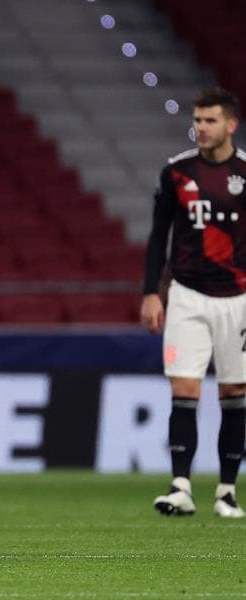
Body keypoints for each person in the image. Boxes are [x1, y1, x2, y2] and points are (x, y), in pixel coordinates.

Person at [141, 86, 246, 519]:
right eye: (197, 120)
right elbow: (157, 235)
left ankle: (226, 491)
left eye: (210, 120)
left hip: (238, 297)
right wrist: (151, 291)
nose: (201, 128)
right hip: (185, 294)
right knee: (183, 387)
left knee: (234, 391)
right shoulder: (176, 173)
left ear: (230, 125)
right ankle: (180, 485)